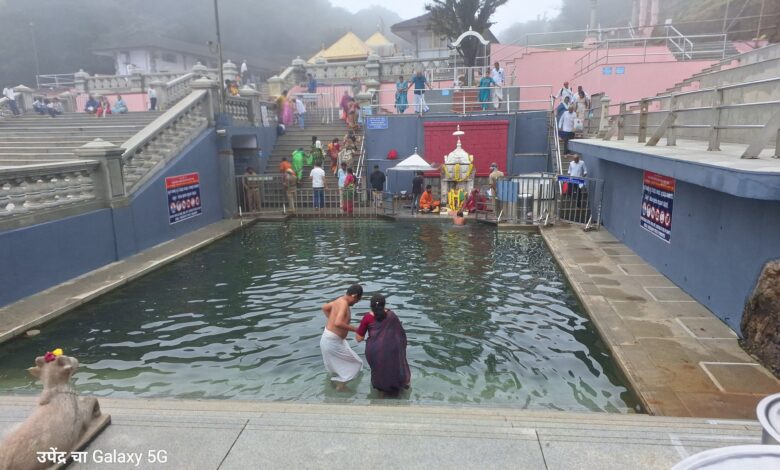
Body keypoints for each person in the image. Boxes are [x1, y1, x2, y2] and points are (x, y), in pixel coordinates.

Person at [356, 293, 411, 395]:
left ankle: (380, 394)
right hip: (392, 350)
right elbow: (400, 335)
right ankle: (397, 392)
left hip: (374, 352)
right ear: (384, 304)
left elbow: (359, 338)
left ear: (371, 305)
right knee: (393, 370)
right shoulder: (392, 315)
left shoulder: (367, 318)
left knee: (379, 373)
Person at [321, 284, 364, 391]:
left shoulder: (339, 300)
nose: (356, 302)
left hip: (332, 339)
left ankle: (337, 383)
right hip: (331, 341)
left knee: (352, 363)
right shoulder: (343, 304)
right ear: (354, 295)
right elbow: (338, 323)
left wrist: (331, 319)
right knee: (356, 364)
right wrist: (356, 329)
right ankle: (340, 385)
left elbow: (324, 308)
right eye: (357, 299)